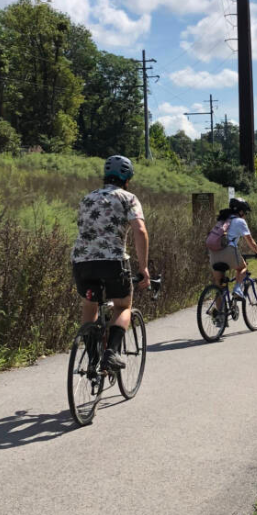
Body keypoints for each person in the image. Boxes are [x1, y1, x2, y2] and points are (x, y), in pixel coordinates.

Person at [71, 155, 150, 370]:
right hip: (112, 262)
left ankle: (93, 362)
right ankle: (111, 353)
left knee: (90, 306)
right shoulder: (128, 198)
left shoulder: (87, 198)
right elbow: (140, 230)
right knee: (123, 305)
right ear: (127, 178)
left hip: (82, 262)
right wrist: (143, 267)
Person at [209, 197, 257, 301]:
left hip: (213, 253)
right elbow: (250, 241)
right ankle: (237, 289)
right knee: (243, 268)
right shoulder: (239, 221)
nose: (245, 215)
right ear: (241, 211)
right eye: (245, 212)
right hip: (229, 251)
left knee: (220, 286)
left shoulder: (222, 220)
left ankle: (217, 314)